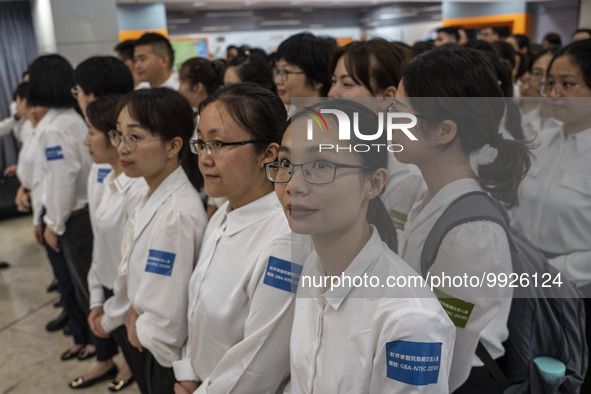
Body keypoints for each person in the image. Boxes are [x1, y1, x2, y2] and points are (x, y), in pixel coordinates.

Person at [268, 98, 454, 392]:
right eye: (287, 163)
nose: (293, 184)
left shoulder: (412, 321)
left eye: (320, 165)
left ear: (374, 183)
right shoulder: (315, 269)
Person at [393, 46, 531, 392]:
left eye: (399, 110)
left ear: (444, 131)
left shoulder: (472, 231)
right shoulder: (429, 196)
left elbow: (452, 347)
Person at [172, 83, 295, 394]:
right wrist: (188, 370)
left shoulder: (284, 241)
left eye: (219, 144)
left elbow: (259, 364)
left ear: (268, 153)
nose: (205, 158)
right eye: (200, 143)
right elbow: (198, 310)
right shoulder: (225, 212)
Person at [95, 88, 206, 394]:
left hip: (165, 359)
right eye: (120, 135)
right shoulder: (149, 194)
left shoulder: (176, 215)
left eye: (136, 137)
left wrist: (138, 330)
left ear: (173, 146)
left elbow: (170, 321)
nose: (123, 148)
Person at [510, 38, 591, 392]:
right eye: (550, 84)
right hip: (530, 285)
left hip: (579, 296)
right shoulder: (546, 135)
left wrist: (557, 272)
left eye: (568, 85)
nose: (554, 93)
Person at [67, 96, 141, 391]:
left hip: (131, 306)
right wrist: (98, 299)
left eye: (91, 132)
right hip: (114, 300)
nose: (86, 141)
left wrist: (111, 314)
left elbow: (132, 266)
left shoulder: (136, 191)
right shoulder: (110, 181)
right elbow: (101, 248)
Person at [27, 54, 95, 361]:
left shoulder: (56, 127)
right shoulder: (70, 118)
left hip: (74, 218)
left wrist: (53, 223)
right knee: (84, 287)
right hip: (78, 214)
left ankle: (96, 345)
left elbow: (61, 181)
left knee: (84, 288)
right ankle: (93, 343)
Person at [327, 38, 425, 234]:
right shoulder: (340, 147)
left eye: (347, 84)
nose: (332, 93)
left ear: (387, 97)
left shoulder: (403, 168)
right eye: (333, 82)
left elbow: (391, 242)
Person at [273, 32, 336, 112]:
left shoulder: (320, 121)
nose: (277, 80)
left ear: (316, 80)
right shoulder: (294, 114)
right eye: (278, 71)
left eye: (286, 72)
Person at [517, 47, 562, 140]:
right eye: (537, 73)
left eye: (550, 74)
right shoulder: (523, 120)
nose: (543, 81)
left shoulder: (570, 125)